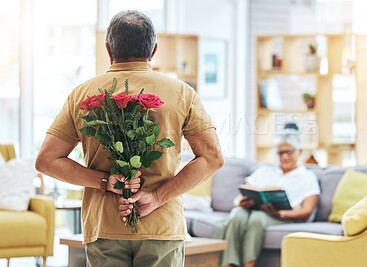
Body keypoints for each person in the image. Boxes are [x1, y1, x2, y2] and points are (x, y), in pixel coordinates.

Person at [35, 10, 223, 267]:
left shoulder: (82, 94)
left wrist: (104, 181)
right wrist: (156, 198)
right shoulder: (182, 93)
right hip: (162, 227)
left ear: (108, 49)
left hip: (103, 226)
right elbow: (212, 158)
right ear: (153, 50)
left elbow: (47, 160)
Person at [215, 123, 320, 267]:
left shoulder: (308, 177)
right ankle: (229, 264)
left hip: (284, 217)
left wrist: (279, 212)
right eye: (280, 153)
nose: (284, 157)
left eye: (289, 152)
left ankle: (248, 264)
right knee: (237, 213)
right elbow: (241, 194)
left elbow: (307, 211)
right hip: (256, 210)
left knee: (257, 218)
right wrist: (239, 202)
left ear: (299, 151)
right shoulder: (264, 171)